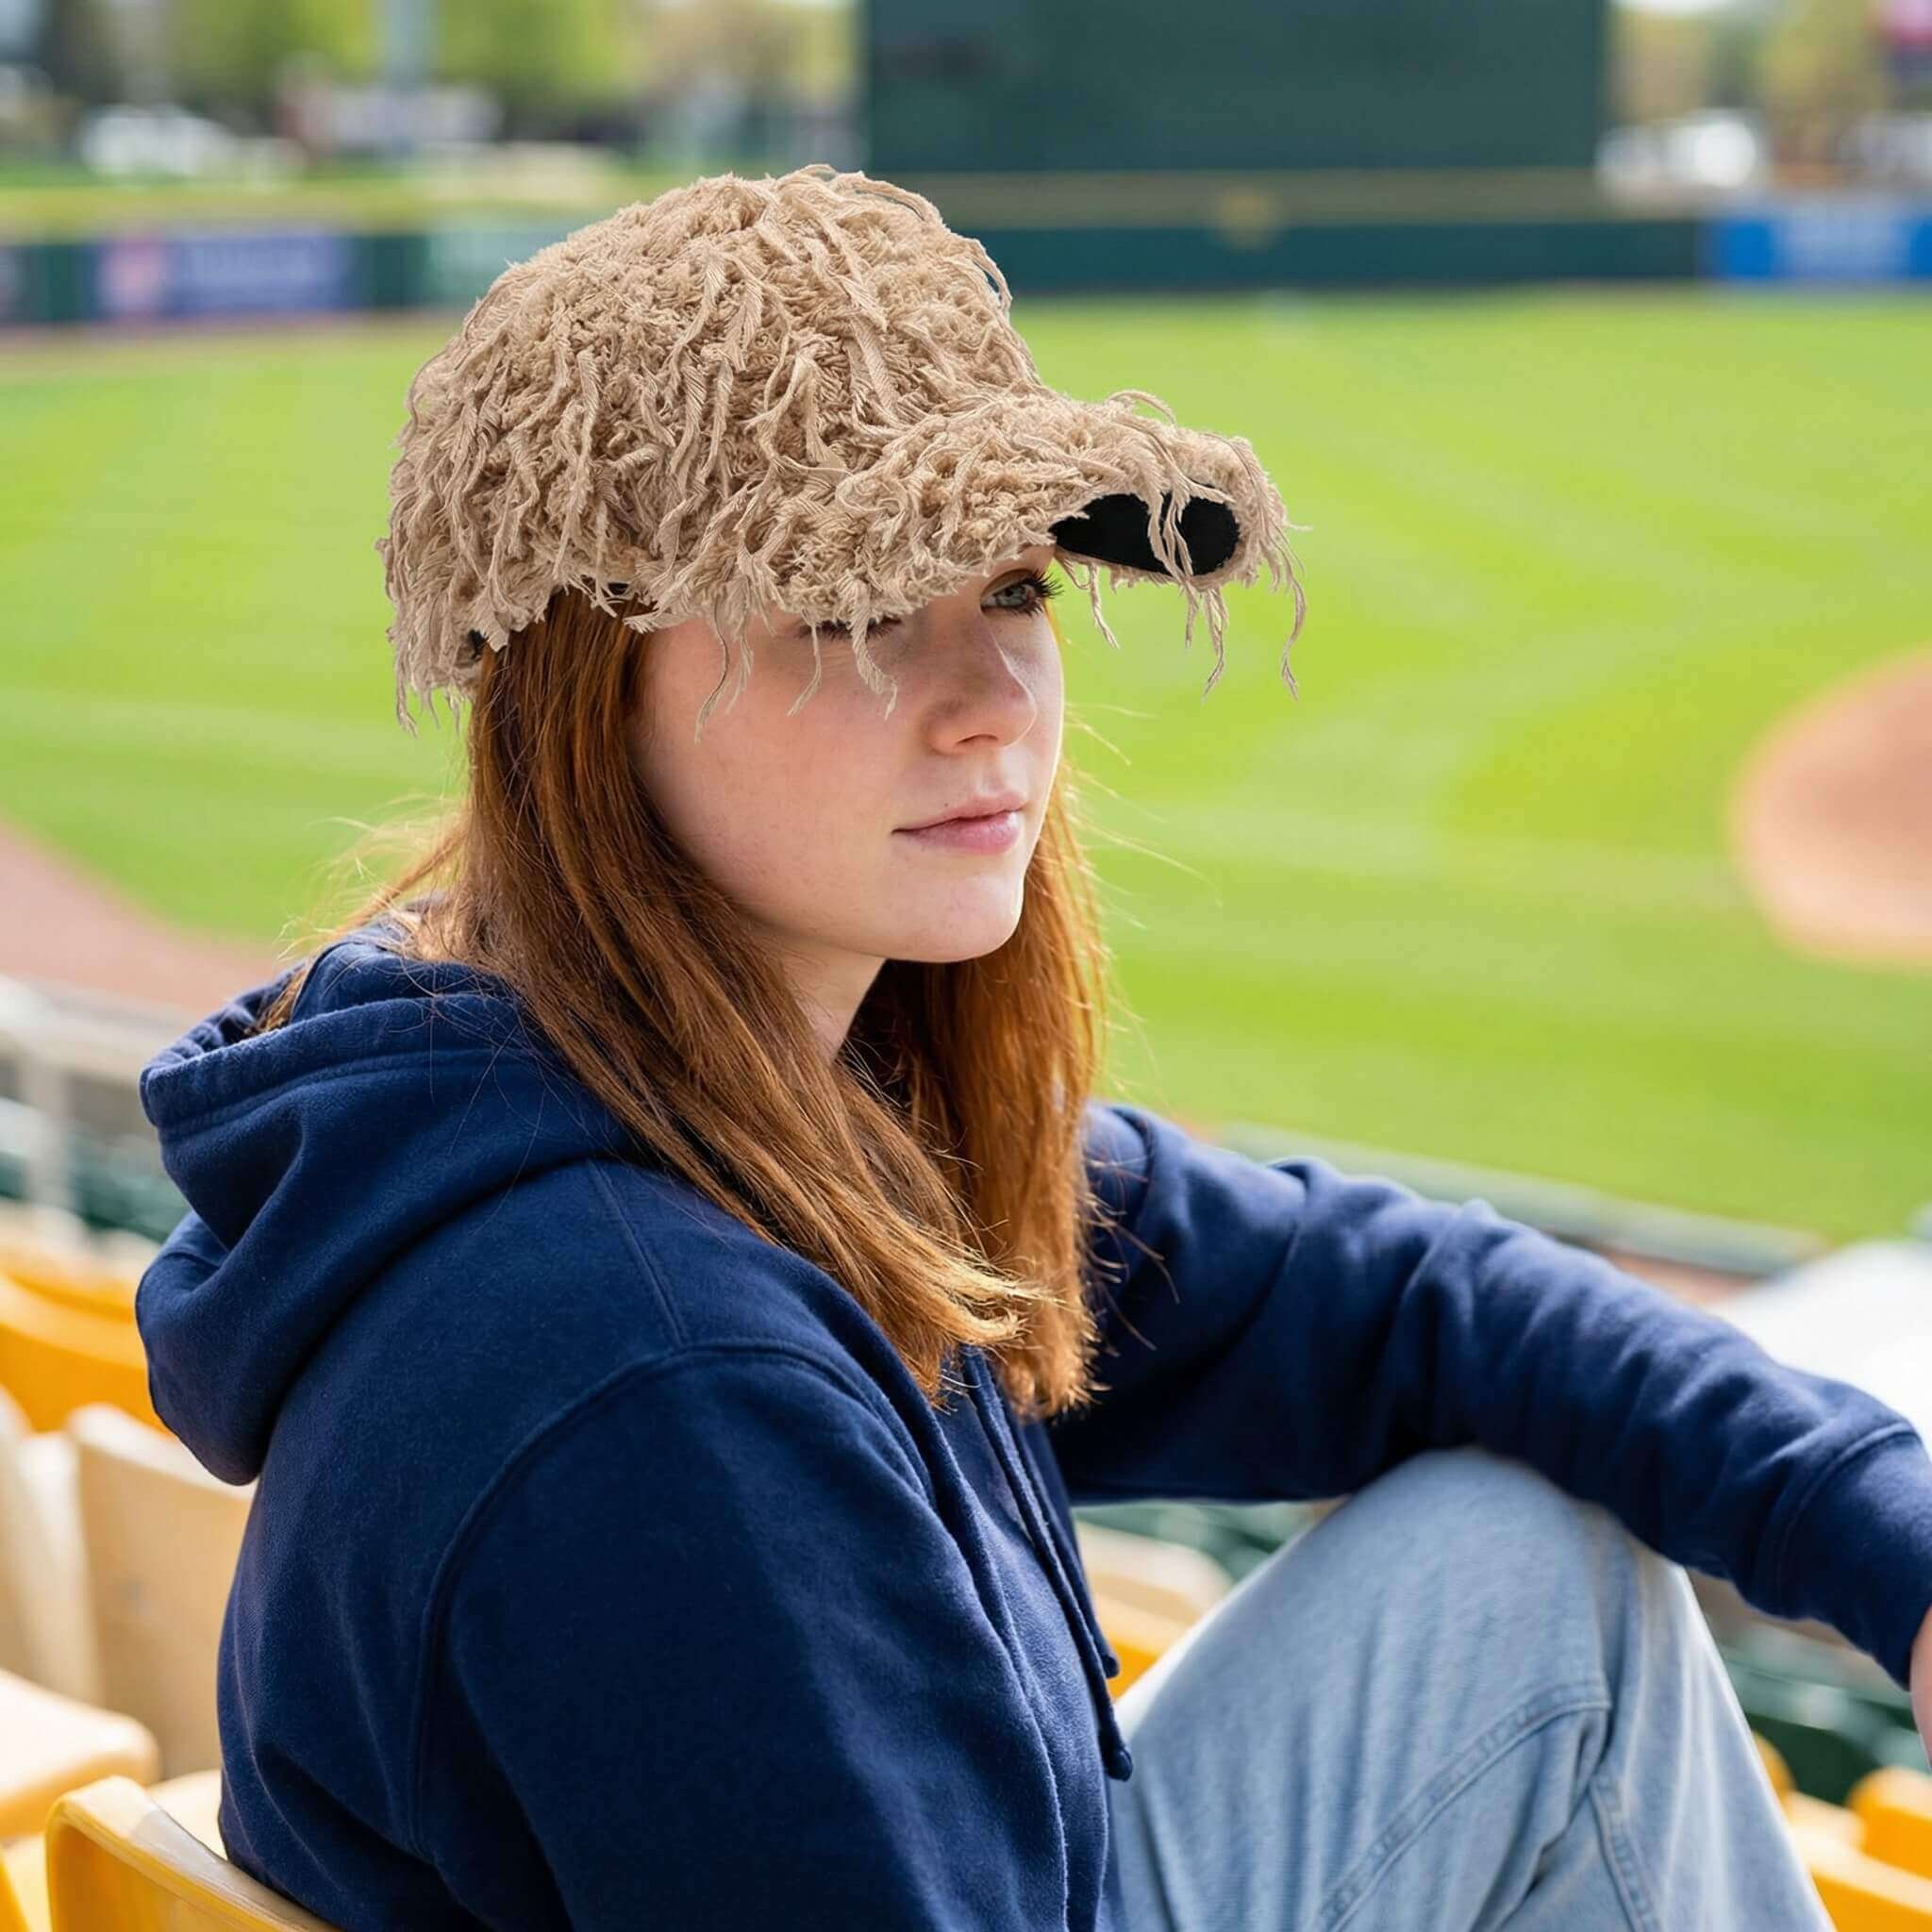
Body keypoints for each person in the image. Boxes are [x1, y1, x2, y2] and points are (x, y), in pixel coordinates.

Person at [133, 163, 1932, 1931]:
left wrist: (1882, 1533)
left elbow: (1395, 1302)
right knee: (1556, 1622)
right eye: (847, 610)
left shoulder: (725, 1113)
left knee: (1525, 1565)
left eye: (1012, 590)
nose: (992, 698)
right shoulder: (660, 1376)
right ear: (586, 696)